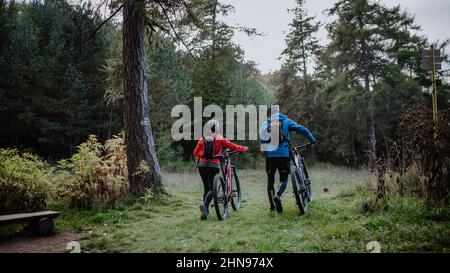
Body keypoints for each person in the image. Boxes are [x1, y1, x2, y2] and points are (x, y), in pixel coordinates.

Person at [260, 105, 317, 213]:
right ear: (278, 112)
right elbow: (302, 129)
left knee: (270, 180)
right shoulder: (285, 120)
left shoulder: (264, 124)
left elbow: (262, 141)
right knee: (284, 178)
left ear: (268, 114)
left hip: (270, 156)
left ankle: (272, 206)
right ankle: (278, 194)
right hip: (283, 153)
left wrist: (267, 152)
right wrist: (312, 139)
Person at [193, 119, 248, 220]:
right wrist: (243, 148)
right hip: (214, 165)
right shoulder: (219, 138)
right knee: (211, 189)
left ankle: (206, 211)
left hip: (202, 165)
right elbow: (232, 146)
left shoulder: (203, 138)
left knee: (207, 188)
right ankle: (205, 206)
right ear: (217, 128)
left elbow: (195, 153)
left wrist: (204, 155)